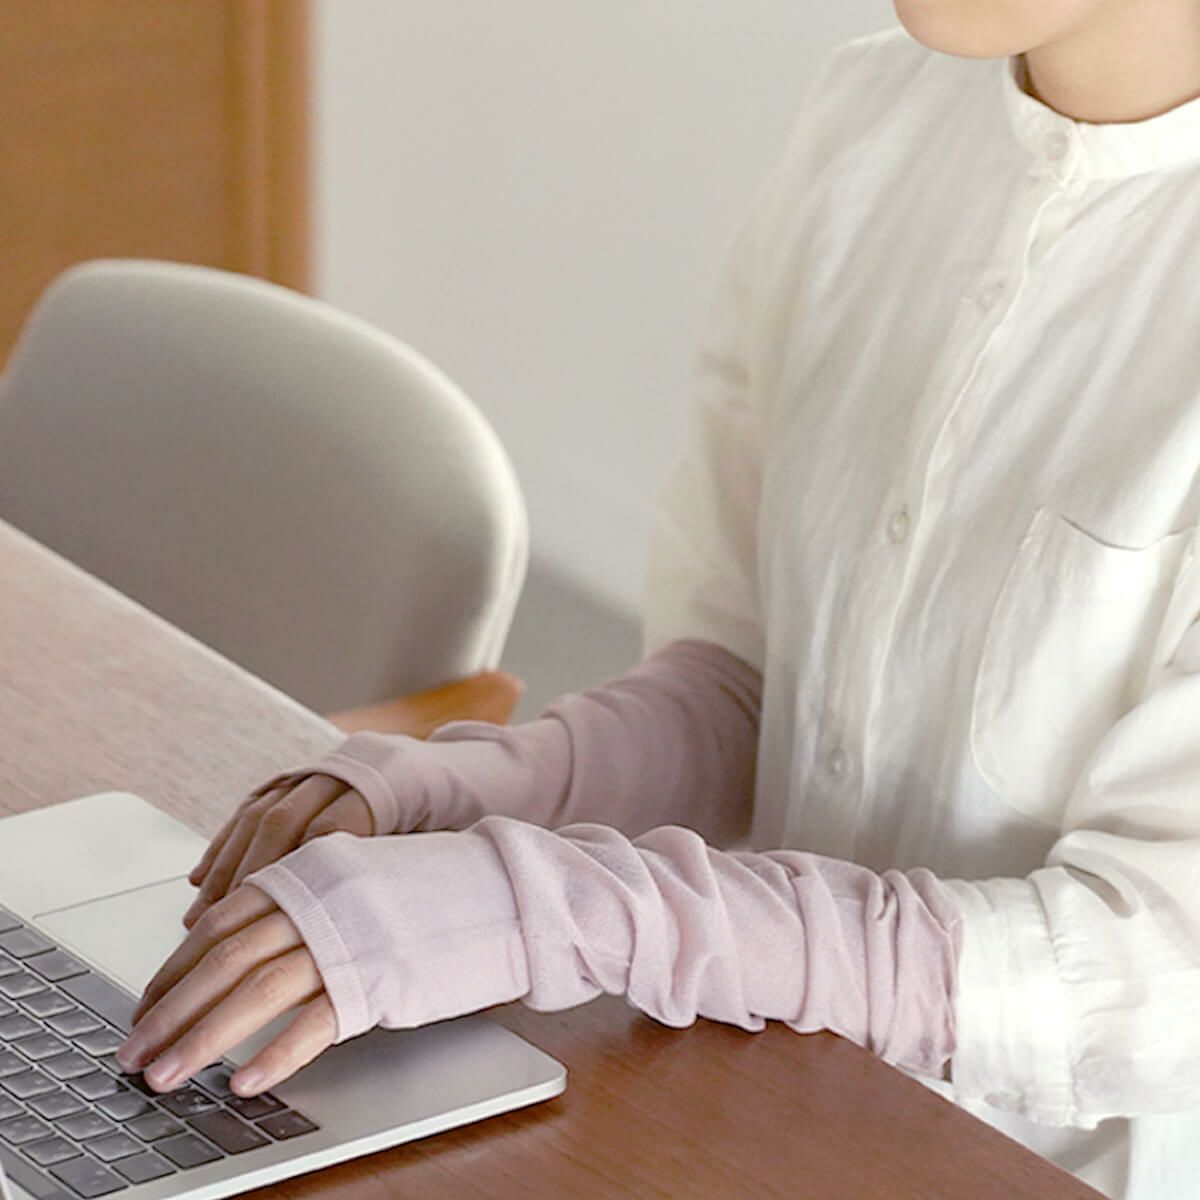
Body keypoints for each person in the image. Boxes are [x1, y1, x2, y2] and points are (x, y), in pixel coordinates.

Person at [117, 3, 1200, 1197]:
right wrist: (478, 794)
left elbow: (1145, 977)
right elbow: (753, 679)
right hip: (753, 1095)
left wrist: (550, 910)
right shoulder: (875, 116)